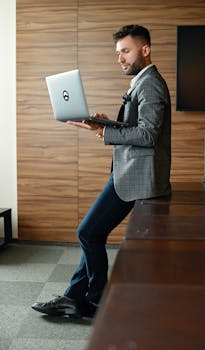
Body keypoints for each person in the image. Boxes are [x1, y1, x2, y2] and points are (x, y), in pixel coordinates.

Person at [32, 24, 171, 318]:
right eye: (118, 53)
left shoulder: (151, 84)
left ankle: (95, 300)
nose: (120, 58)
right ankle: (73, 297)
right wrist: (103, 125)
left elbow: (148, 135)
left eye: (126, 51)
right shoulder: (142, 81)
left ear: (145, 50)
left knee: (88, 232)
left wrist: (104, 134)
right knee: (92, 234)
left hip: (137, 178)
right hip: (127, 172)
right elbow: (137, 127)